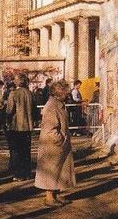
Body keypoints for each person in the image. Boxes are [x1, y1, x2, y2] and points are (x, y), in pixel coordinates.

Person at [34, 79, 76, 207]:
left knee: (59, 170)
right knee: (52, 170)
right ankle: (49, 197)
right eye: (66, 92)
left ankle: (56, 194)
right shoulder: (52, 106)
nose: (67, 94)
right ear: (60, 92)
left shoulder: (58, 104)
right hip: (52, 146)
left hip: (57, 145)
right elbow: (50, 128)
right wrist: (60, 140)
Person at [6, 74, 34, 181]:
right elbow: (34, 109)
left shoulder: (14, 93)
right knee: (26, 151)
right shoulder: (29, 93)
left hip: (16, 126)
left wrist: (7, 121)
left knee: (16, 151)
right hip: (28, 126)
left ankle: (18, 174)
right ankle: (27, 172)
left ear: (18, 81)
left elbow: (9, 110)